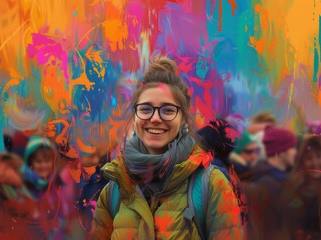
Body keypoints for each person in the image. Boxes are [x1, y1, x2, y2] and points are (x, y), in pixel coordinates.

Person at [92, 56, 243, 239]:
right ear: (135, 116)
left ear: (184, 119)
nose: (155, 118)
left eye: (168, 110)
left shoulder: (212, 186)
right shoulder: (114, 191)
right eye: (146, 108)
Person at [246, 125, 297, 240]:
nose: (295, 152)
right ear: (281, 151)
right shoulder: (268, 185)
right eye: (292, 147)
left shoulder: (280, 179)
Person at [283, 136, 321, 239]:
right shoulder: (292, 187)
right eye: (309, 158)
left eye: (319, 156)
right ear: (301, 162)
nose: (315, 163)